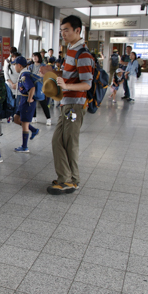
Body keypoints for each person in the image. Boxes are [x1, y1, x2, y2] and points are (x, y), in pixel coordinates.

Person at [47, 15, 93, 196]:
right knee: (58, 140)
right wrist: (54, 74)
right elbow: (70, 75)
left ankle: (71, 181)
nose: (63, 33)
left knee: (69, 142)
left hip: (75, 106)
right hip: (66, 104)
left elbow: (87, 84)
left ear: (77, 31)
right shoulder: (71, 50)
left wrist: (66, 86)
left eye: (66, 30)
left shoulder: (83, 54)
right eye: (61, 30)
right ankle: (64, 177)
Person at [13, 56, 39, 153]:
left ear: (19, 65)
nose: (14, 67)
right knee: (16, 119)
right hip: (23, 99)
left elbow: (31, 88)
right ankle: (33, 130)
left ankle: (24, 147)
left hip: (27, 102)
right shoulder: (23, 73)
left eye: (15, 65)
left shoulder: (24, 75)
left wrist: (29, 99)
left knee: (24, 123)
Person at [26, 52, 52, 126]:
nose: (34, 58)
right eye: (33, 56)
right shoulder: (31, 66)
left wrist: (40, 75)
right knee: (32, 101)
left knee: (43, 102)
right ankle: (34, 117)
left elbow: (48, 75)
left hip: (41, 85)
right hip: (32, 85)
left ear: (39, 57)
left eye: (36, 56)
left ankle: (48, 118)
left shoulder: (43, 66)